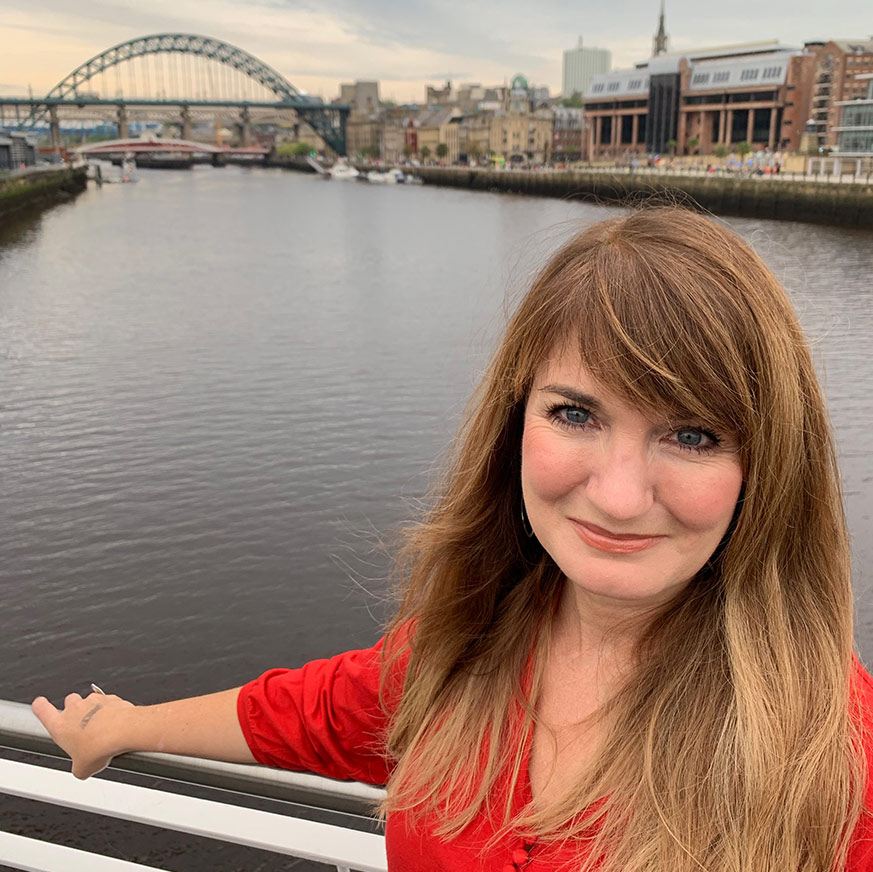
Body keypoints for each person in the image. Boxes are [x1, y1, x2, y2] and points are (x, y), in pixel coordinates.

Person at [33, 207, 873, 871]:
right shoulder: (466, 652)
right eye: (574, 413)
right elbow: (311, 714)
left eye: (692, 435)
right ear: (515, 425)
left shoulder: (831, 754)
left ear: (767, 465)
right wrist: (123, 726)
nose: (618, 496)